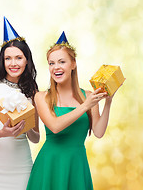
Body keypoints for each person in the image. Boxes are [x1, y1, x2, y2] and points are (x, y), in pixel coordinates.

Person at [26, 32, 122, 190]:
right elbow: (55, 127)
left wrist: (109, 102)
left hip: (76, 163)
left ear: (73, 64)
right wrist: (85, 106)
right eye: (51, 63)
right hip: (50, 164)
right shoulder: (41, 97)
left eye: (61, 62)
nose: (56, 67)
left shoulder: (89, 96)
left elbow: (98, 132)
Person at [0, 17, 40, 190]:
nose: (13, 63)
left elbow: (36, 138)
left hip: (21, 167)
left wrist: (28, 127)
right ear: (2, 62)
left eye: (18, 58)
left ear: (27, 60)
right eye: (8, 58)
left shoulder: (32, 90)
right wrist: (3, 132)